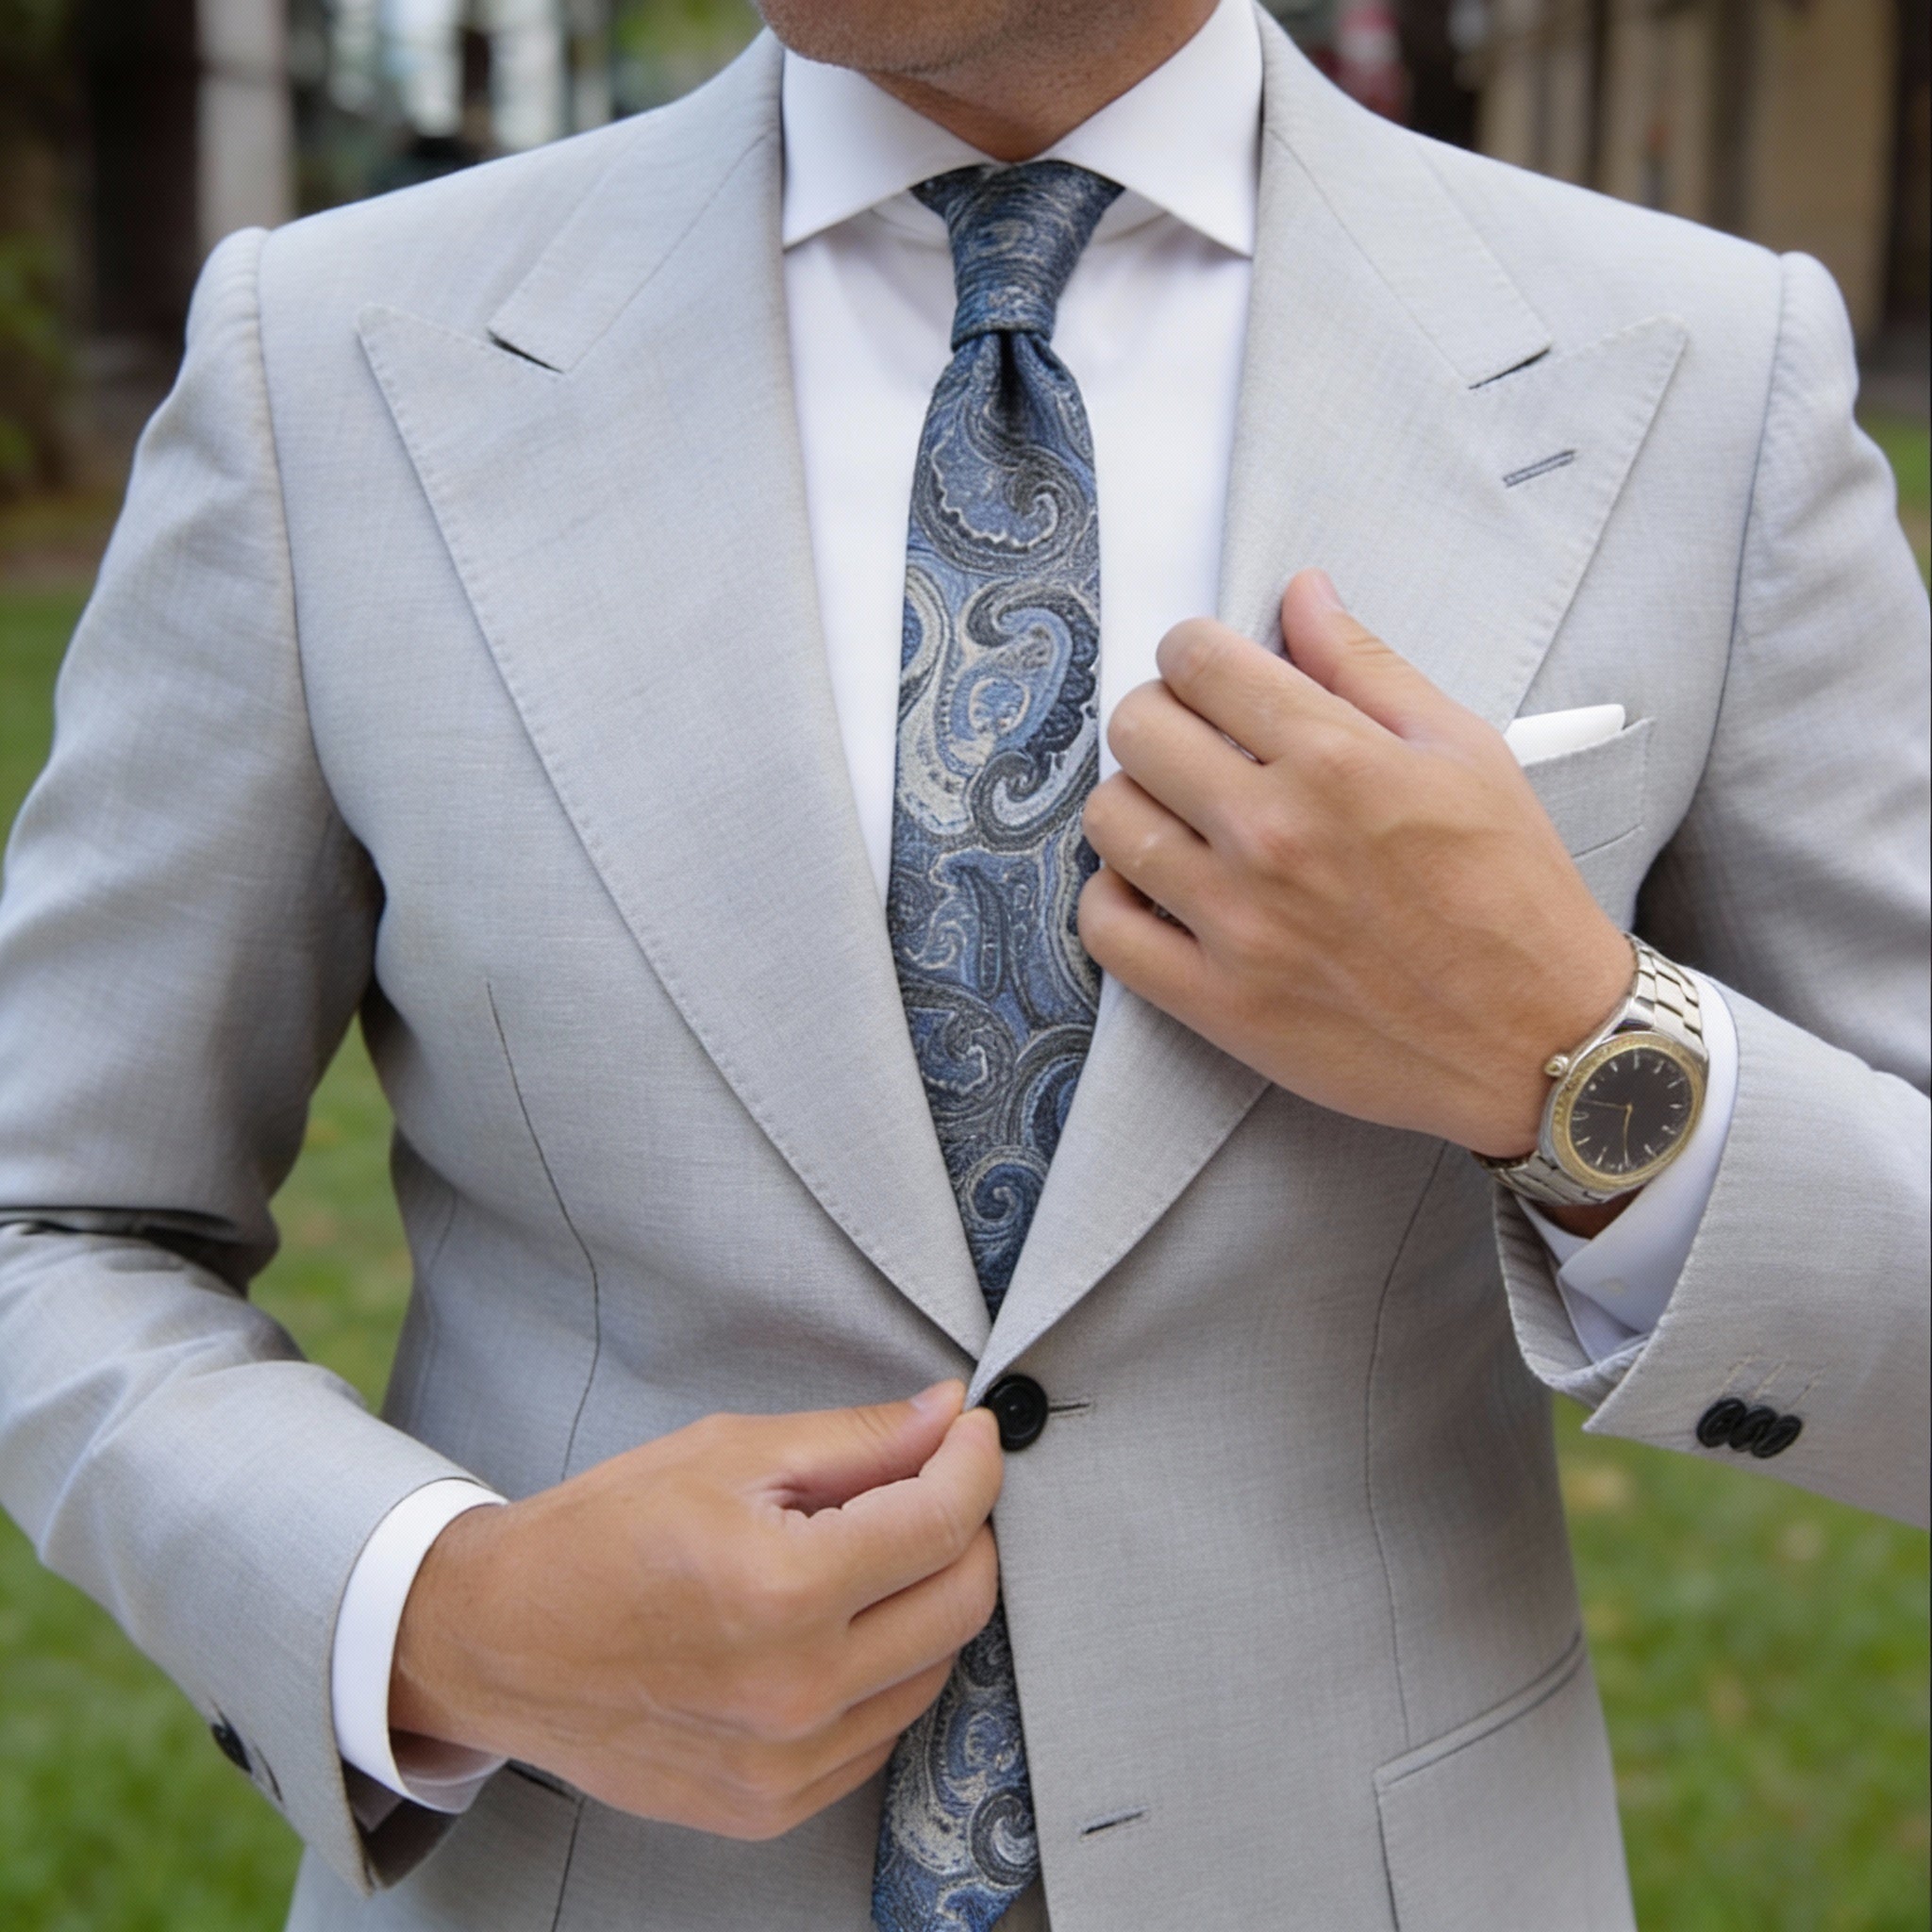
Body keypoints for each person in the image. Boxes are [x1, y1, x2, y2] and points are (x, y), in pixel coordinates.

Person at [0, 0, 1924, 1926]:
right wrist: (438, 1613)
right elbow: (49, 1218)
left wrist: (1576, 1059)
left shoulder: (1697, 372)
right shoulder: (325, 361)